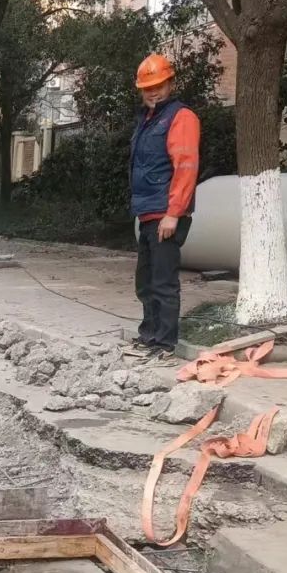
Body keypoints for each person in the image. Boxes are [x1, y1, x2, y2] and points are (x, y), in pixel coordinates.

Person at [124, 53, 201, 362]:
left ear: (171, 84)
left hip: (166, 214)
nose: (152, 92)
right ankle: (149, 335)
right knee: (145, 281)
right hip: (148, 212)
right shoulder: (147, 120)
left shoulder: (181, 118)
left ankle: (165, 343)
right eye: (147, 88)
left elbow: (186, 166)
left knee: (163, 282)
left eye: (158, 86)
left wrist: (173, 213)